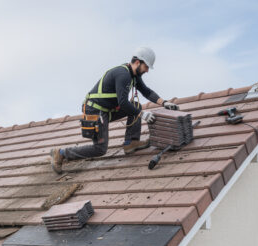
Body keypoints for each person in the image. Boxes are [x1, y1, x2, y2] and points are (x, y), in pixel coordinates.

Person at [49, 46, 178, 173]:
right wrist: (142, 115)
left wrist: (164, 103)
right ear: (138, 62)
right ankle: (60, 153)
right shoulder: (123, 75)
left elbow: (146, 91)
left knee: (136, 105)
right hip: (95, 111)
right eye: (146, 67)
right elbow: (123, 103)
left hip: (107, 110)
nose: (147, 71)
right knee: (100, 149)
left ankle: (131, 143)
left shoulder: (133, 75)